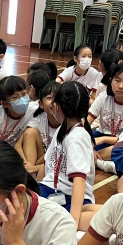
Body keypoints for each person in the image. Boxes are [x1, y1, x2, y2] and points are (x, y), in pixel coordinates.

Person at [39, 82, 96, 229]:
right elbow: (46, 164)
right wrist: (36, 191)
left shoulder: (77, 137)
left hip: (73, 197)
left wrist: (73, 220)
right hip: (51, 189)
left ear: (56, 107)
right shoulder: (62, 128)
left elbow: (79, 179)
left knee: (94, 217)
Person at [89, 62, 123, 175]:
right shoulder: (104, 97)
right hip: (100, 136)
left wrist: (104, 139)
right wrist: (90, 147)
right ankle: (104, 162)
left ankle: (98, 162)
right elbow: (85, 123)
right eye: (117, 80)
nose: (121, 86)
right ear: (110, 81)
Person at [17, 81, 61, 177]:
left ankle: (32, 176)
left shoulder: (68, 122)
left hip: (58, 166)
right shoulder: (40, 119)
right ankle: (30, 178)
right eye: (49, 98)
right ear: (41, 104)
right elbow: (18, 145)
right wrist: (26, 164)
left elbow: (63, 158)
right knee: (30, 132)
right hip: (40, 162)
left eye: (58, 98)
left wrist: (35, 168)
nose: (54, 102)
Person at [0, 76, 36, 147]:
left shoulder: (34, 112)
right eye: (15, 97)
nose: (22, 100)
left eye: (24, 94)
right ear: (4, 103)